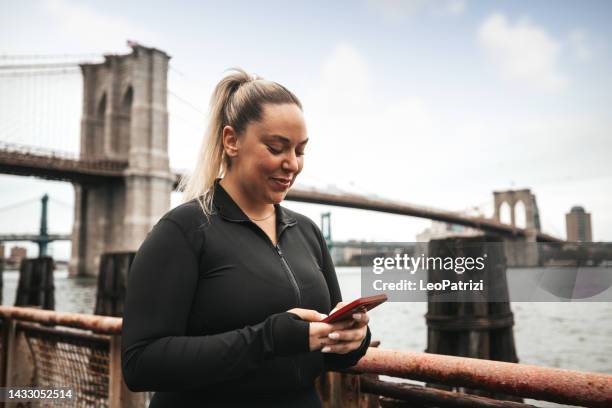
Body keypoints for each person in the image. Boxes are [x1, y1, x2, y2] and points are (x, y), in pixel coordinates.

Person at [121, 68, 372, 407]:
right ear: (231, 140)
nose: (292, 164)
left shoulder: (308, 232)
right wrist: (268, 338)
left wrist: (352, 339)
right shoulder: (182, 231)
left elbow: (326, 352)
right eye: (276, 147)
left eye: (300, 151)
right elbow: (141, 364)